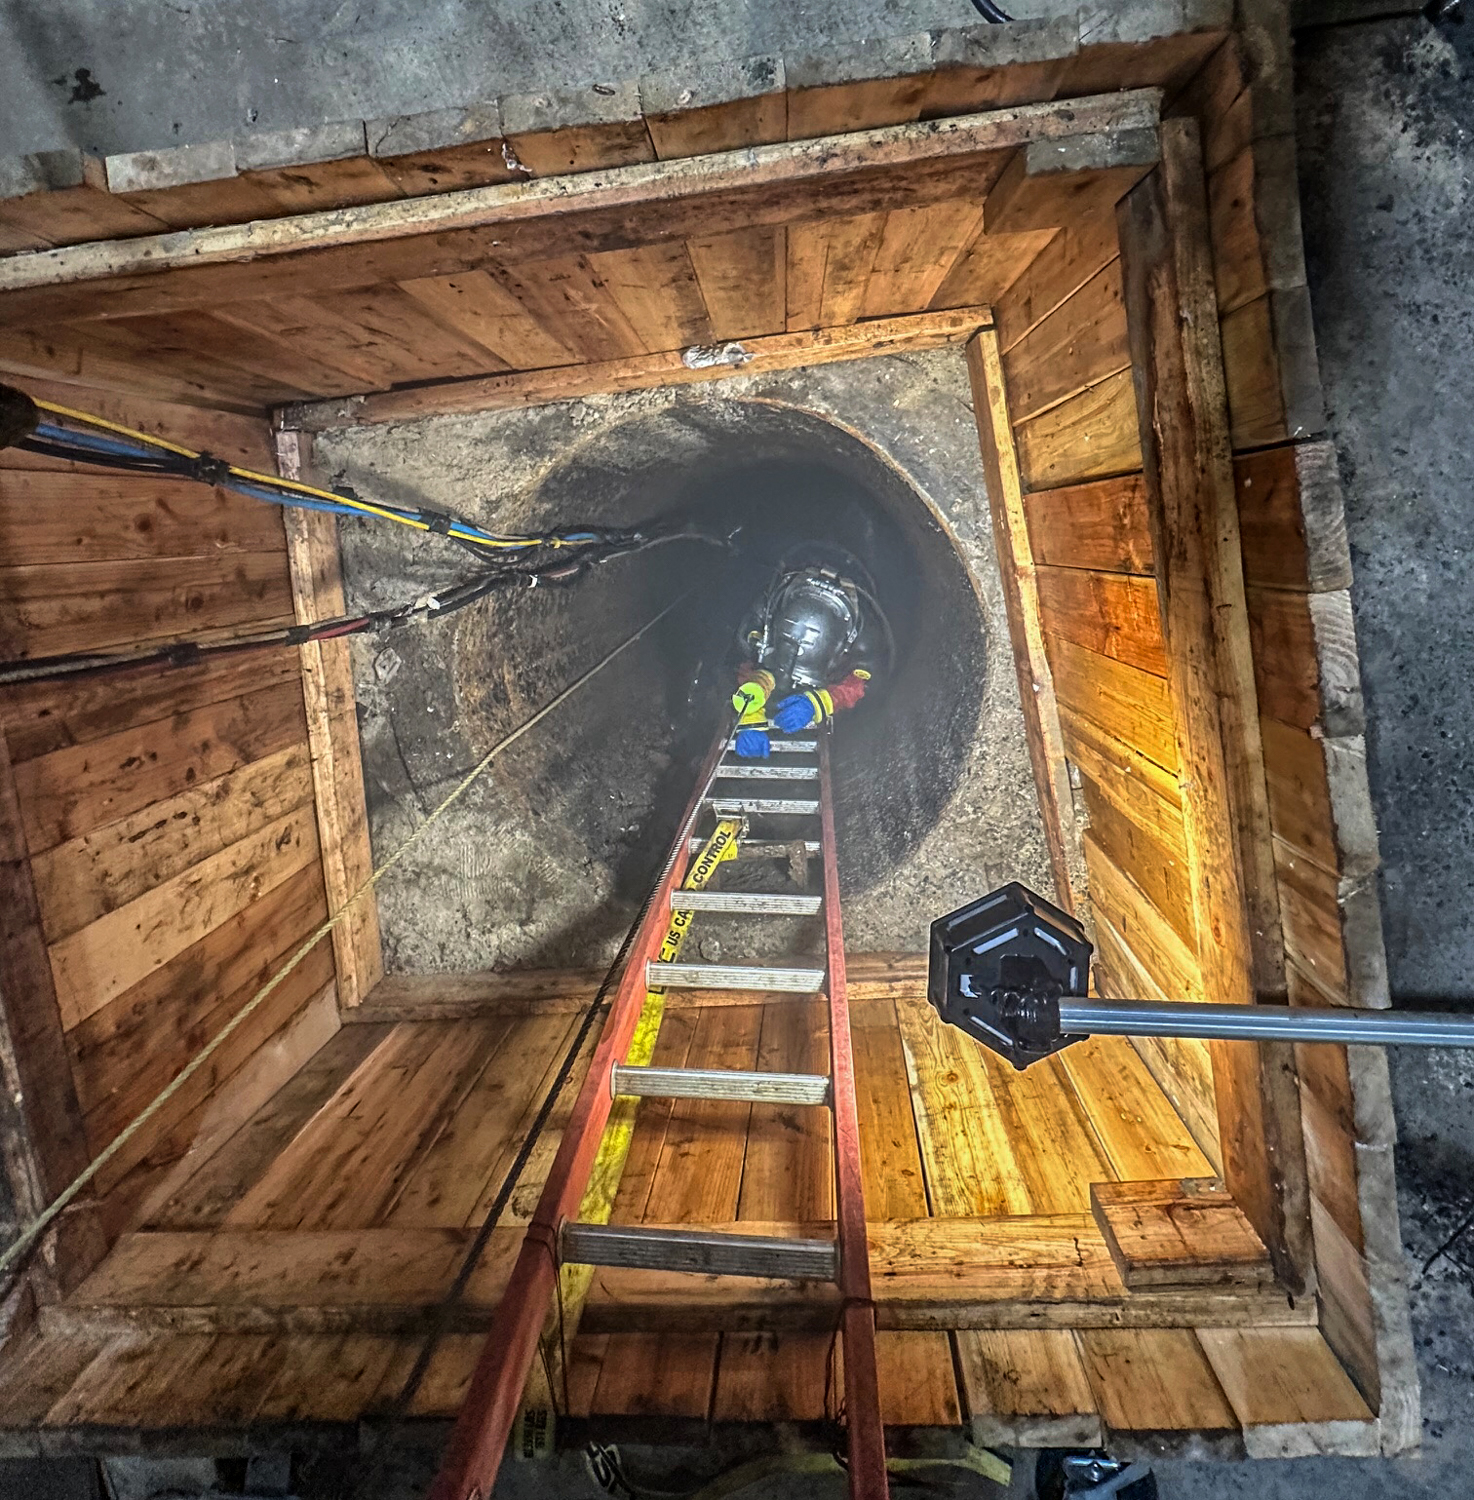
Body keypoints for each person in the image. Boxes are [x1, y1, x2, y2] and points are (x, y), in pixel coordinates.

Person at [730, 545, 890, 758]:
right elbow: (745, 661)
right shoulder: (763, 613)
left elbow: (868, 684)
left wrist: (823, 701)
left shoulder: (865, 637)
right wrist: (750, 712)